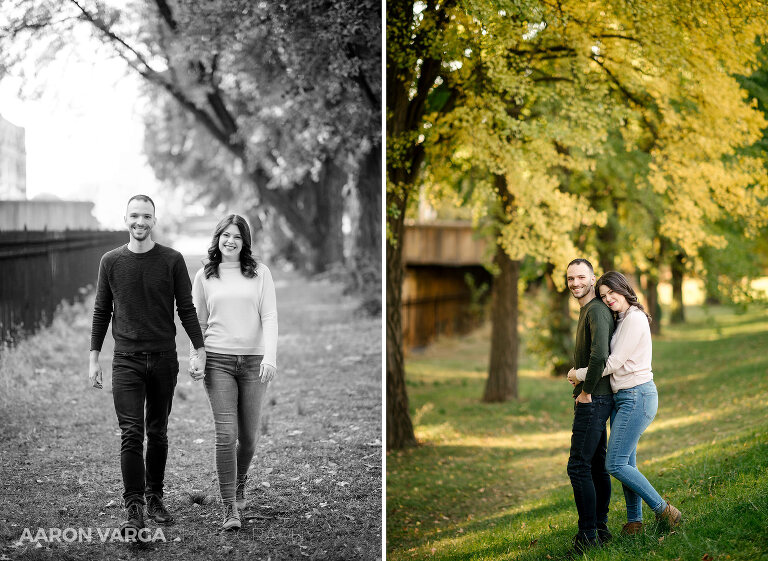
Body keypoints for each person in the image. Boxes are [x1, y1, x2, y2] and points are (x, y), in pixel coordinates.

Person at [89, 194, 207, 536]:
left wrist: (199, 349)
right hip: (126, 361)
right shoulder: (110, 261)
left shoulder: (171, 260)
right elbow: (101, 311)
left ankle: (155, 496)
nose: (140, 222)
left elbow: (186, 308)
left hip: (163, 360)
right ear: (126, 219)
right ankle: (134, 507)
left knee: (157, 432)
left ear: (154, 220)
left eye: (146, 216)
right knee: (131, 433)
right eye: (134, 216)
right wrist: (94, 358)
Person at [568, 271, 682, 535]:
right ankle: (634, 522)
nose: (608, 299)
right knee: (626, 463)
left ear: (624, 289)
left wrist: (578, 374)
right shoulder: (621, 318)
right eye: (604, 295)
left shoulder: (634, 319)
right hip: (623, 398)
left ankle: (665, 511)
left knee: (615, 464)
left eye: (613, 293)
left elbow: (613, 362)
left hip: (637, 396)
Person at [191, 214, 278, 531]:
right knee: (226, 435)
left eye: (237, 236)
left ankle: (240, 481)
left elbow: (269, 317)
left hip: (254, 362)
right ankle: (230, 508)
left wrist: (270, 356)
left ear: (245, 242)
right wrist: (195, 356)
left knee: (250, 439)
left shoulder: (260, 274)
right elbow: (197, 323)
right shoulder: (204, 275)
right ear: (217, 238)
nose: (230, 241)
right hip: (218, 361)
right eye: (225, 235)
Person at [564, 258, 615, 555]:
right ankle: (601, 529)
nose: (575, 283)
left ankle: (588, 536)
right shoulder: (589, 310)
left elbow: (599, 356)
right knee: (596, 465)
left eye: (581, 277)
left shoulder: (596, 310)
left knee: (578, 466)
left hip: (594, 399)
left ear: (593, 279)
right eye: (571, 278)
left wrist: (585, 390)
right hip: (597, 396)